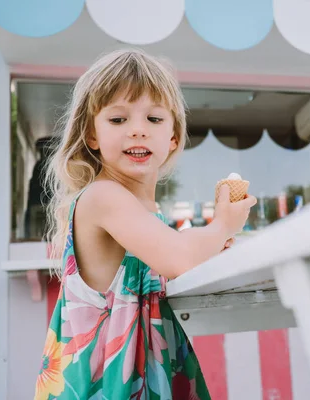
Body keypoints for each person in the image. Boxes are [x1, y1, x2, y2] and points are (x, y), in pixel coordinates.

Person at [34, 49, 256, 400]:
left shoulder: (145, 215)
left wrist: (207, 246)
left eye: (153, 119)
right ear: (92, 135)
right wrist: (223, 226)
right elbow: (178, 258)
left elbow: (174, 260)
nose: (137, 130)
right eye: (118, 120)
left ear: (172, 138)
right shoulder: (103, 197)